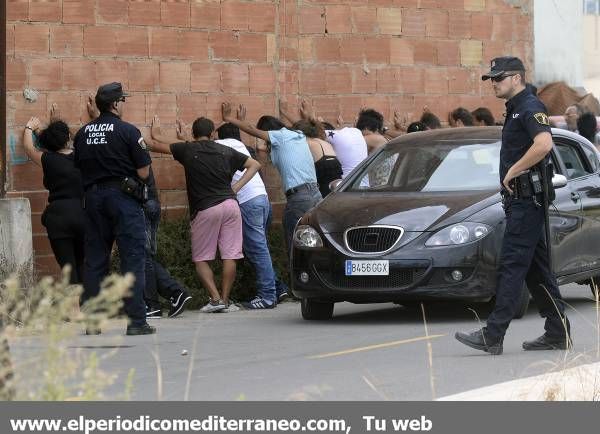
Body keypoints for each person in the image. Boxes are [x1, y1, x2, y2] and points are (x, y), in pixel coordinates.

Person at [455, 56, 571, 355]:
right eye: (491, 78)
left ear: (517, 78)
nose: (494, 83)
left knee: (511, 266)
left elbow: (544, 144)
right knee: (537, 270)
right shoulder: (517, 109)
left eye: (499, 77)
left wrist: (513, 170)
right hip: (520, 201)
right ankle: (557, 332)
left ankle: (493, 334)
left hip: (526, 201)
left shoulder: (530, 107)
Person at [149, 116, 261, 313]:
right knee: (230, 256)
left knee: (201, 258)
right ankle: (225, 300)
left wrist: (154, 133)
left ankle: (215, 299)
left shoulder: (188, 149)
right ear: (212, 134)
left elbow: (155, 145)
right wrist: (236, 187)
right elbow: (255, 165)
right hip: (230, 205)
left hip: (206, 208)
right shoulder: (225, 150)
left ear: (193, 134)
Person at [73, 82, 154, 336]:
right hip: (122, 199)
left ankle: (93, 320)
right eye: (123, 101)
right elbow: (143, 172)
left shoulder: (82, 133)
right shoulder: (129, 131)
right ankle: (137, 321)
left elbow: (79, 167)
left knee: (95, 260)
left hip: (92, 199)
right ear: (116, 104)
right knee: (132, 259)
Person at [221, 103, 321, 256]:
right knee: (313, 240)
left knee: (294, 242)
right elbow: (260, 154)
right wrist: (285, 112)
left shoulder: (279, 136)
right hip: (315, 194)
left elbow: (252, 130)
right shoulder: (297, 135)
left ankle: (296, 276)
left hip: (299, 197)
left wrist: (229, 118)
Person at [212, 122, 280, 309]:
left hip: (248, 202)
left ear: (219, 136)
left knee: (257, 250)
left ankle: (267, 296)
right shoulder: (241, 146)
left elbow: (199, 146)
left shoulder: (221, 146)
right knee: (261, 248)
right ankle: (277, 288)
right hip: (262, 199)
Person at [22, 109, 85, 285]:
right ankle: (88, 307)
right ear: (68, 139)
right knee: (83, 264)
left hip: (58, 218)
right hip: (83, 215)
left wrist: (30, 127)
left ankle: (74, 312)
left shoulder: (48, 159)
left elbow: (29, 147)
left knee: (68, 268)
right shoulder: (81, 157)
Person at [143, 167, 192, 318]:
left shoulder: (127, 146)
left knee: (143, 257)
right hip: (150, 201)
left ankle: (154, 304)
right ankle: (175, 294)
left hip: (141, 203)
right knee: (146, 257)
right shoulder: (137, 146)